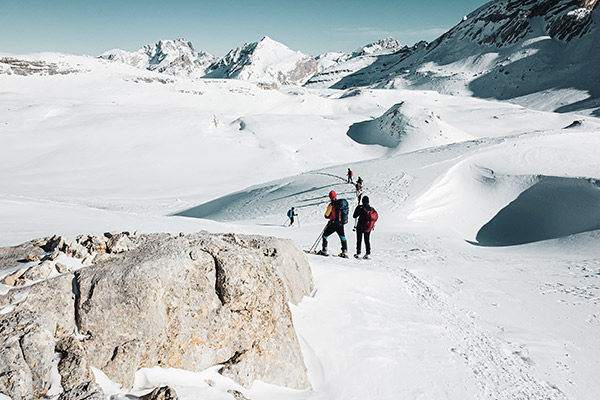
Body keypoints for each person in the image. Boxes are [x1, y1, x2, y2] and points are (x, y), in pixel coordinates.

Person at [318, 190, 349, 257]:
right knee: (342, 237)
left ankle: (324, 250)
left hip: (333, 224)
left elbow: (326, 215)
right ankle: (345, 251)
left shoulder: (331, 205)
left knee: (325, 236)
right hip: (340, 224)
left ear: (330, 197)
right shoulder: (341, 204)